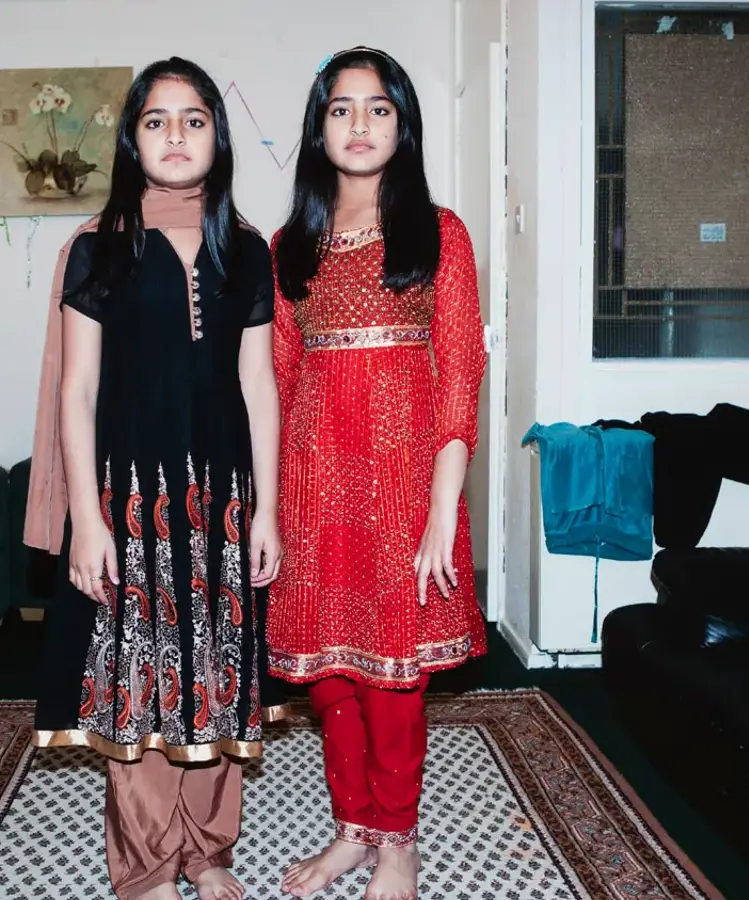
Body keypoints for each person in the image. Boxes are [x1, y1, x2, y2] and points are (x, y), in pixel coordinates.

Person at [24, 57, 288, 900]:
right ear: (132, 142)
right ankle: (143, 868)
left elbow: (259, 386)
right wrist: (89, 523)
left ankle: (208, 854)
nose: (176, 136)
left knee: (215, 675)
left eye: (195, 119)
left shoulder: (247, 251)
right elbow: (78, 387)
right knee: (138, 684)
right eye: (156, 121)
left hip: (222, 503)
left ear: (219, 137)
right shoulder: (97, 250)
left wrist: (268, 512)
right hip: (130, 502)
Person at [267, 46, 488, 900]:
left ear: (403, 123)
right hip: (315, 486)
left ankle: (398, 840)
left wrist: (443, 510)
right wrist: (268, 509)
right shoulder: (291, 245)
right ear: (319, 128)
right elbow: (279, 385)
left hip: (405, 489)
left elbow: (460, 372)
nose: (359, 125)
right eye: (341, 109)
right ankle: (352, 830)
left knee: (394, 680)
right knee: (330, 678)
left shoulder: (442, 232)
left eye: (378, 108)